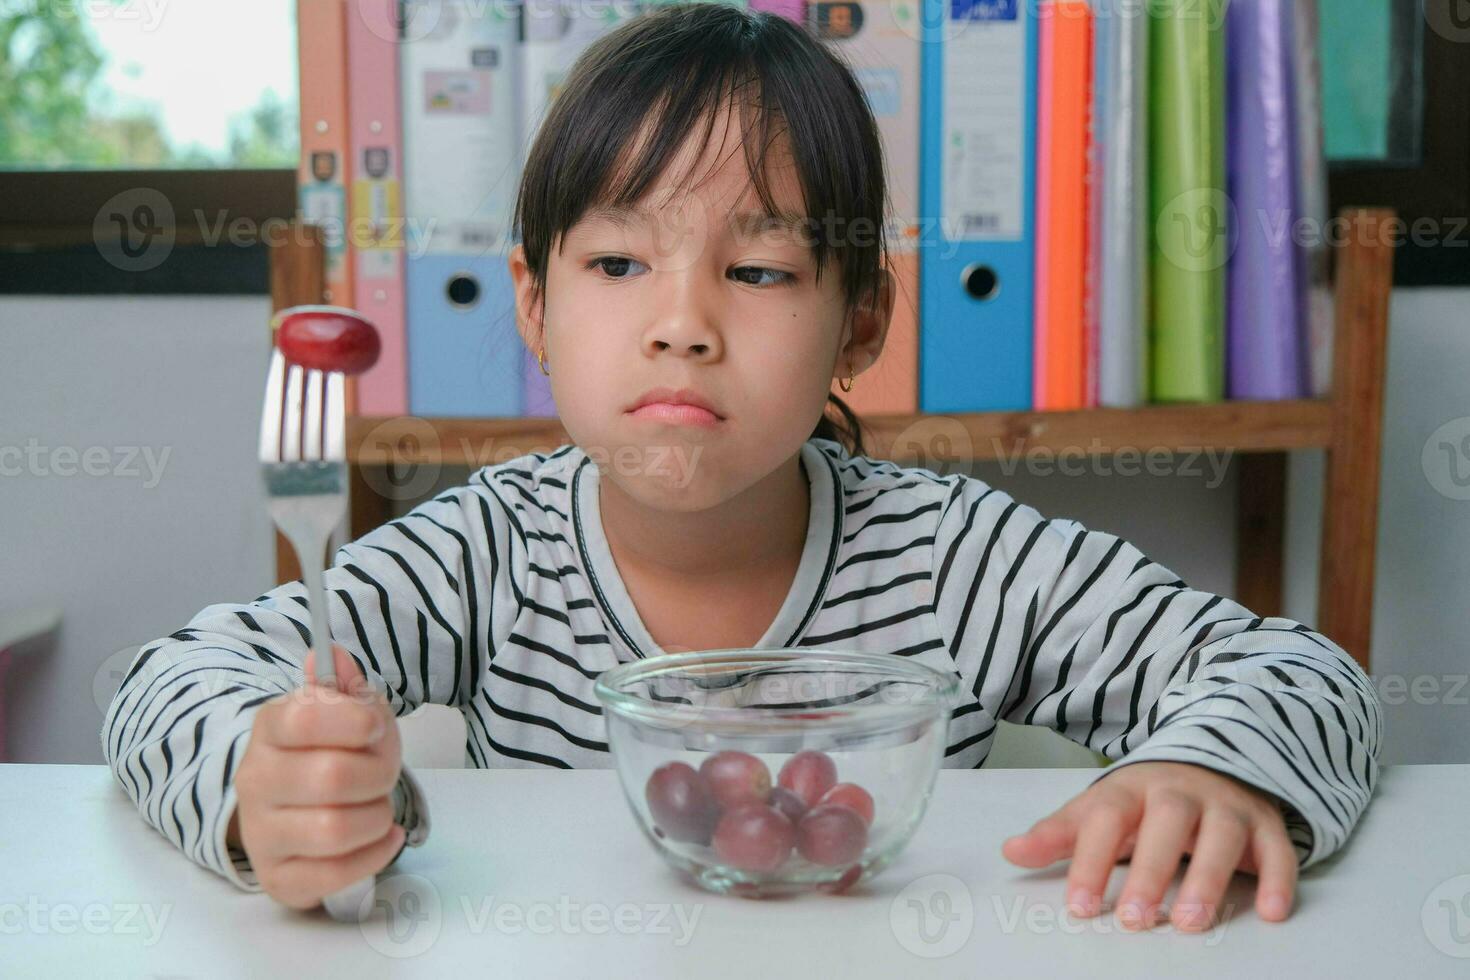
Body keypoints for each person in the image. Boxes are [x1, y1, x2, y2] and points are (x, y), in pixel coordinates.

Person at [102, 3, 1379, 931]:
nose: (683, 321)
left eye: (760, 270)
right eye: (617, 265)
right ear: (535, 308)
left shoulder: (957, 557)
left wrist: (1212, 767)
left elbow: (1303, 670)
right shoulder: (487, 549)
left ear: (860, 325)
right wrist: (253, 785)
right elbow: (168, 679)